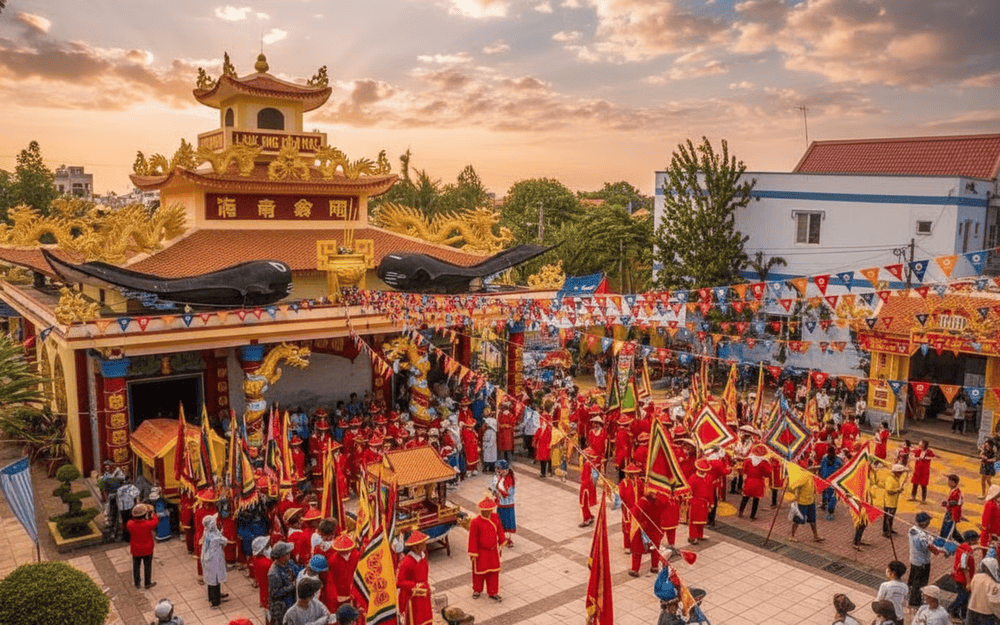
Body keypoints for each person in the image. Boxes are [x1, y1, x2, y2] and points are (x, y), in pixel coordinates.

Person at [467, 497, 504, 602]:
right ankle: (477, 590)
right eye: (485, 511)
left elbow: (499, 530)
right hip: (481, 552)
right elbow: (473, 538)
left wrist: (502, 540)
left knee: (493, 572)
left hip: (493, 551)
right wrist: (473, 552)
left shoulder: (495, 517)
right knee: (479, 573)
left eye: (489, 510)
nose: (487, 512)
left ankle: (493, 592)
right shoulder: (475, 522)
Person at [396, 531, 433, 625]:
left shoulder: (423, 557)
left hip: (424, 595)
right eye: (422, 544)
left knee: (426, 618)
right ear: (416, 547)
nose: (425, 546)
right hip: (413, 598)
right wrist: (415, 586)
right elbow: (399, 582)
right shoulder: (407, 562)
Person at [907, 512, 942, 607]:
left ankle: (911, 596)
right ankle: (915, 601)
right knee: (920, 583)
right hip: (922, 563)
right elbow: (931, 549)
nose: (929, 523)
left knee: (913, 580)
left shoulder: (912, 530)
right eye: (928, 521)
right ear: (924, 523)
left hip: (914, 560)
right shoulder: (921, 536)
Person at [127, 503, 159, 590]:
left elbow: (132, 521)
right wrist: (152, 513)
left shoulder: (130, 524)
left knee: (136, 566)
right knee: (147, 566)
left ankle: (137, 583)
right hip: (147, 549)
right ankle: (147, 583)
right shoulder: (148, 524)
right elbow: (155, 520)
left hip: (135, 549)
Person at [789, 465, 824, 543]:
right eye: (815, 470)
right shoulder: (804, 476)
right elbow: (794, 486)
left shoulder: (813, 477)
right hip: (802, 502)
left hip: (811, 501)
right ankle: (792, 536)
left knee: (813, 520)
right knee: (797, 520)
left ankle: (815, 536)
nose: (816, 472)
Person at [949, 530, 979, 621]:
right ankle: (952, 610)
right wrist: (968, 583)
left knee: (963, 597)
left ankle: (962, 614)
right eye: (976, 540)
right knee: (963, 597)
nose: (977, 541)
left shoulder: (962, 547)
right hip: (962, 579)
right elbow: (964, 567)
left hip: (958, 576)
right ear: (971, 540)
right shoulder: (967, 550)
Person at [202, 513, 230, 608]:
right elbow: (225, 541)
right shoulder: (215, 537)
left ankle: (211, 597)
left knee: (211, 581)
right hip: (214, 561)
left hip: (208, 560)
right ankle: (215, 601)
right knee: (215, 580)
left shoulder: (206, 533)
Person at [269, 542, 299, 625]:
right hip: (282, 607)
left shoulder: (289, 563)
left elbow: (297, 571)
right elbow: (275, 593)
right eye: (287, 554)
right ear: (281, 557)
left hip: (292, 602)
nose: (289, 555)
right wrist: (292, 586)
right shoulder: (274, 573)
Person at [738, 443, 769, 521]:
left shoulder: (748, 460)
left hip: (749, 480)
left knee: (745, 497)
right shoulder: (764, 462)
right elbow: (767, 473)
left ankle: (740, 512)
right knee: (756, 500)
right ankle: (752, 515)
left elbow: (744, 470)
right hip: (759, 481)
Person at [966, 556, 1000, 625]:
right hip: (986, 613)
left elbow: (972, 589)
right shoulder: (993, 584)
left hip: (972, 609)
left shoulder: (976, 577)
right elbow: (994, 602)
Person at [876, 464, 906, 538]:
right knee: (888, 517)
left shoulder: (895, 478)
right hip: (889, 502)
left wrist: (898, 490)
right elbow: (889, 490)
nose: (901, 474)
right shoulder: (890, 479)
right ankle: (886, 531)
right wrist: (897, 490)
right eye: (900, 472)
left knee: (891, 517)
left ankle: (889, 529)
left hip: (893, 501)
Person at [491, 460, 516, 547]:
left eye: (500, 469)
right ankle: (501, 538)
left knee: (508, 522)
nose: (499, 471)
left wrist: (501, 493)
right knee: (500, 522)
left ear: (506, 470)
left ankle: (508, 539)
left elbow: (510, 492)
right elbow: (493, 486)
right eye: (497, 469)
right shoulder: (496, 478)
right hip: (500, 504)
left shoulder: (510, 479)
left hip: (508, 504)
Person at [875, 560, 907, 625]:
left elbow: (879, 600)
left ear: (892, 573)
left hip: (886, 617)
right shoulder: (905, 586)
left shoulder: (885, 586)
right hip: (899, 617)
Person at [250, 536, 272, 624]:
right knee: (271, 617)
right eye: (267, 546)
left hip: (263, 593)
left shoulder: (256, 560)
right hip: (269, 593)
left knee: (266, 614)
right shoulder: (267, 563)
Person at [819, 446, 843, 521]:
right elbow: (821, 469)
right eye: (830, 452)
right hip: (825, 480)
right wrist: (821, 477)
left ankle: (830, 512)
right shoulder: (825, 459)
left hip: (833, 482)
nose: (831, 454)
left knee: (832, 497)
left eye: (832, 452)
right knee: (826, 494)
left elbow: (842, 470)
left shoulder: (838, 461)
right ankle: (825, 505)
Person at [117, 473, 140, 543]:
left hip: (122, 508)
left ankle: (126, 537)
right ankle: (133, 536)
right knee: (132, 522)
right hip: (130, 507)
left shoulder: (119, 489)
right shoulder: (131, 487)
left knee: (125, 522)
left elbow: (118, 499)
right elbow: (136, 494)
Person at [940, 473, 963, 541]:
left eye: (949, 481)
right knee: (952, 530)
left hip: (952, 514)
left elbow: (954, 503)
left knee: (948, 530)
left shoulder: (956, 492)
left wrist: (946, 503)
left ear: (953, 483)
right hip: (950, 513)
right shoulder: (954, 491)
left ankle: (962, 542)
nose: (948, 483)